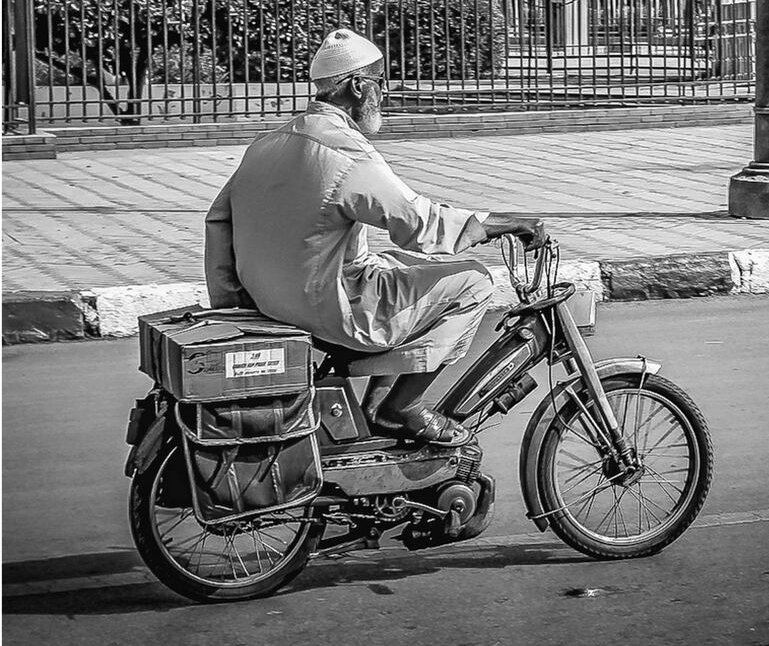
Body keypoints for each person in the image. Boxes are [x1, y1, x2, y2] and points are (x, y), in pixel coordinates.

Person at [204, 28, 544, 447]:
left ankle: (376, 402)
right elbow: (419, 223)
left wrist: (230, 304)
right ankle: (403, 405)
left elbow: (218, 221)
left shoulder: (267, 143)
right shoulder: (345, 152)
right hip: (330, 309)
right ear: (358, 86)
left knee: (410, 269)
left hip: (271, 301)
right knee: (473, 281)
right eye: (379, 83)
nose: (383, 94)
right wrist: (502, 224)